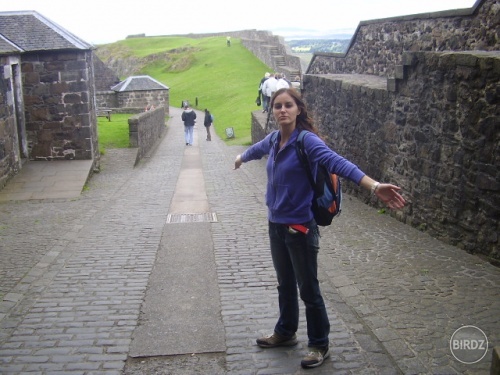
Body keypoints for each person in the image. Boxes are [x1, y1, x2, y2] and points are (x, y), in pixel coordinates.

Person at [233, 88, 405, 369]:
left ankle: (318, 344)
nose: (282, 110)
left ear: (298, 109)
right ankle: (286, 332)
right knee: (284, 284)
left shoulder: (307, 142)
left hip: (299, 228)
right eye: (277, 106)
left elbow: (339, 163)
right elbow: (257, 149)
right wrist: (241, 158)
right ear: (272, 110)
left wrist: (374, 186)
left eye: (288, 105)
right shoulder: (275, 139)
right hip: (276, 225)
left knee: (308, 288)